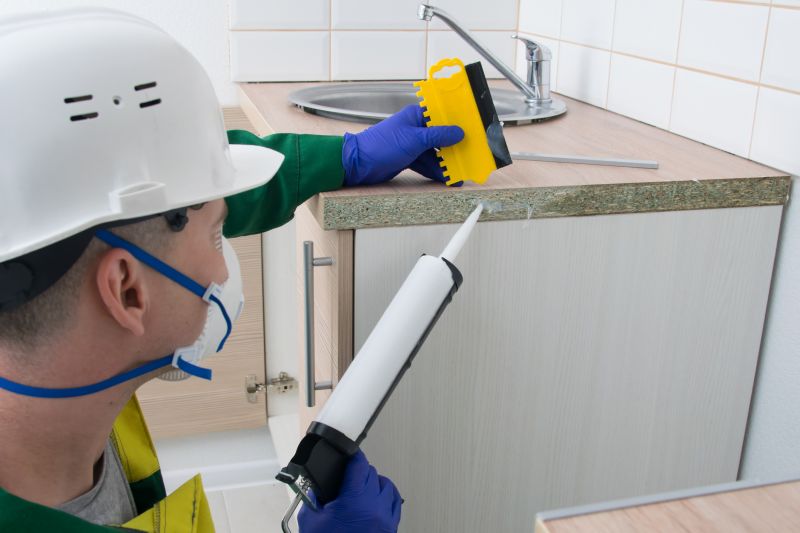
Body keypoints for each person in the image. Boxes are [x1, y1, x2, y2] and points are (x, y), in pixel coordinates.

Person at [0, 8, 463, 533]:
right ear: (127, 291)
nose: (223, 267)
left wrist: (345, 157)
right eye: (218, 235)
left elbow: (135, 211)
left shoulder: (52, 376)